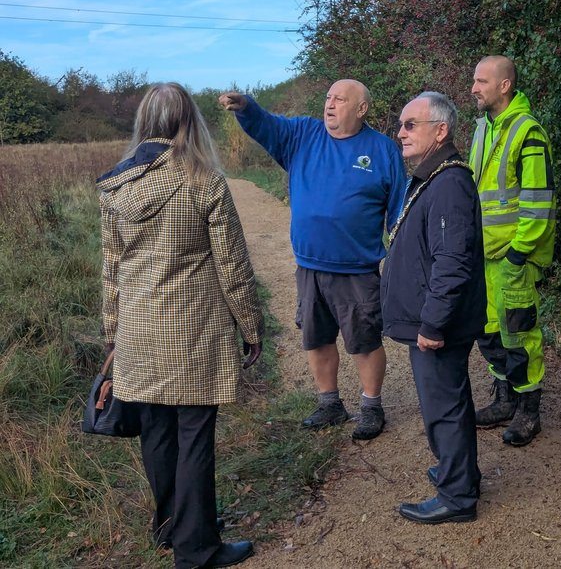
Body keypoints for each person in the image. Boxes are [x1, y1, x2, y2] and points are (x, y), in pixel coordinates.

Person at [98, 82, 263, 568]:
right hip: (194, 331)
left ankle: (173, 526)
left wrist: (112, 335)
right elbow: (232, 264)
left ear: (144, 121)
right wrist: (250, 326)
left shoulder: (115, 187)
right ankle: (196, 548)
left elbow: (110, 271)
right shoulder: (204, 179)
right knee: (194, 435)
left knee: (157, 432)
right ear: (188, 120)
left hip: (138, 333)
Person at [219, 81, 406, 440]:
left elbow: (398, 211)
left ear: (361, 109)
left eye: (340, 99)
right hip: (311, 267)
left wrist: (404, 260)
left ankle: (371, 406)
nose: (330, 104)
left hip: (357, 268)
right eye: (328, 98)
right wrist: (246, 107)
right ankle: (329, 403)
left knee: (364, 341)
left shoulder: (382, 150)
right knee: (316, 338)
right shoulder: (303, 135)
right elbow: (268, 125)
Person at [382, 91, 485, 524]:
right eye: (401, 125)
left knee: (444, 408)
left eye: (411, 125)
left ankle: (457, 497)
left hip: (438, 325)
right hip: (432, 320)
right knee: (445, 401)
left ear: (440, 131)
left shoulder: (448, 183)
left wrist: (432, 323)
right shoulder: (433, 177)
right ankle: (458, 473)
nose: (401, 132)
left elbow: (453, 261)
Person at [468, 55, 556, 446]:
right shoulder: (482, 129)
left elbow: (538, 202)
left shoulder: (528, 131)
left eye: (482, 81)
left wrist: (519, 253)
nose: (474, 88)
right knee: (489, 332)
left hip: (513, 258)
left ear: (504, 86)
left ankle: (528, 412)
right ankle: (504, 399)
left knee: (520, 334)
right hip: (484, 257)